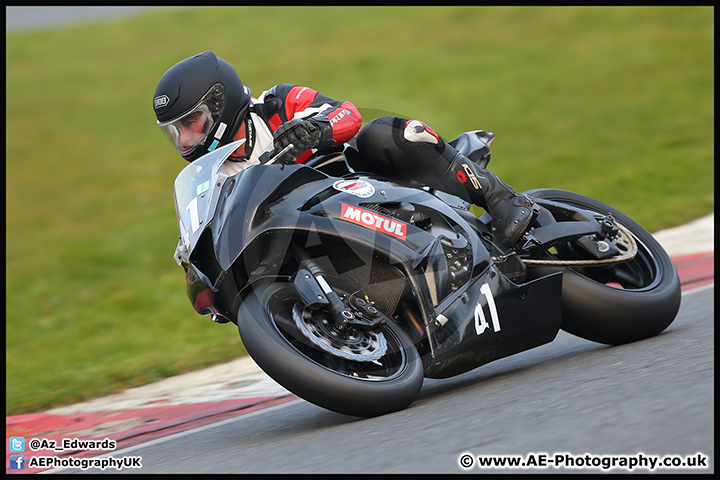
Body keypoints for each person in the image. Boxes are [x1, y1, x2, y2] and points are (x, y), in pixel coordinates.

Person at [153, 51, 534, 246]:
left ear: (219, 103)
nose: (185, 140)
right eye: (176, 132)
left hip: (367, 185)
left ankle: (501, 198)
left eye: (191, 123)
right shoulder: (211, 177)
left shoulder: (276, 105)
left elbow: (347, 113)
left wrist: (315, 128)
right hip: (315, 229)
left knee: (382, 133)